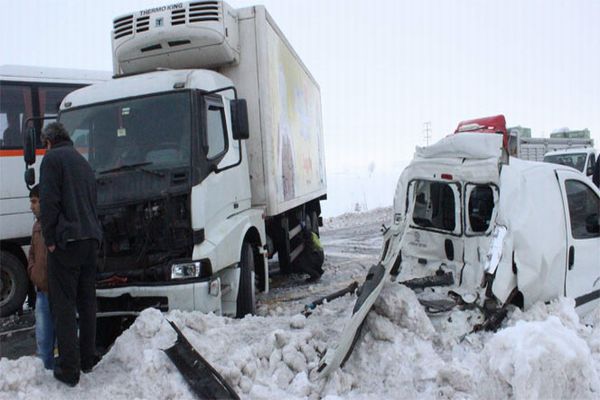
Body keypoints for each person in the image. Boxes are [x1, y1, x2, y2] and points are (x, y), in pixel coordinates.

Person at [39, 122, 102, 386]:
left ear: (49, 142)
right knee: (87, 303)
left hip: (67, 242)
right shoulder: (82, 161)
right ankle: (88, 359)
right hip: (91, 239)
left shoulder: (52, 160)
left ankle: (69, 369)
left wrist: (51, 239)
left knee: (63, 306)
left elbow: (49, 201)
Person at [27, 185, 55, 369]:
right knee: (43, 340)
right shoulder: (37, 227)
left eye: (35, 202)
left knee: (62, 337)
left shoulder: (56, 225)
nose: (31, 206)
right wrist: (33, 272)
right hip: (42, 293)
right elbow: (32, 255)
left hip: (58, 294)